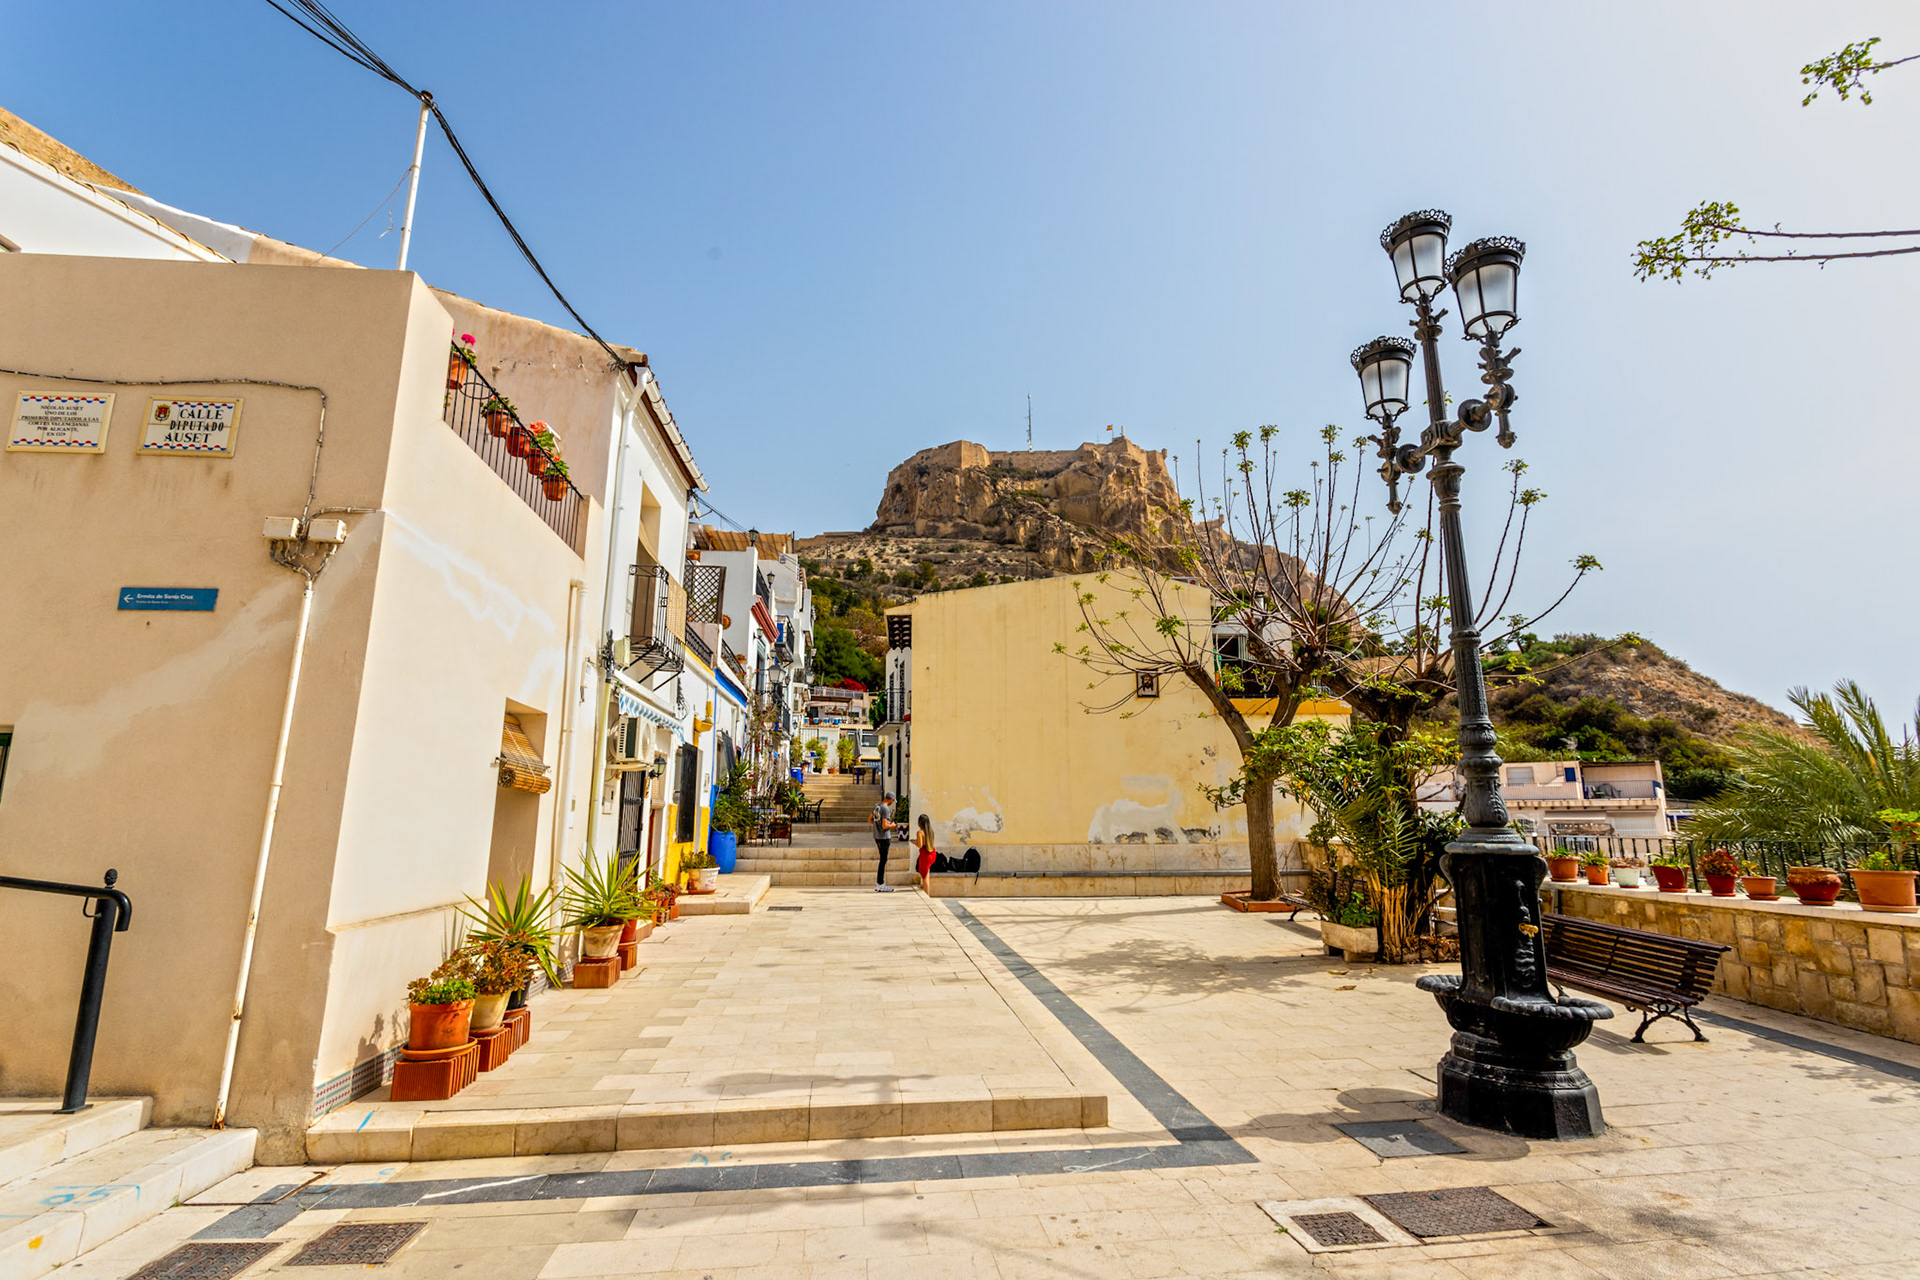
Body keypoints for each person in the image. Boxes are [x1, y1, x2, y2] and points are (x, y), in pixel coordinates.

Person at [870, 792, 904, 892]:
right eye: (893, 800)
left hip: (877, 836)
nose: (892, 803)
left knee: (882, 859)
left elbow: (870, 820)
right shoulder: (885, 809)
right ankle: (880, 883)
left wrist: (877, 825)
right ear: (890, 799)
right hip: (884, 837)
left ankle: (879, 883)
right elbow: (885, 826)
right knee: (883, 860)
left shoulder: (876, 806)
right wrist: (892, 825)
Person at [913, 814, 938, 893]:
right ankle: (922, 886)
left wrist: (914, 842)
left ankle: (927, 893)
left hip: (925, 854)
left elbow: (920, 845)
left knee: (925, 876)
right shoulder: (931, 832)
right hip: (932, 853)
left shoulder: (920, 832)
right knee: (926, 872)